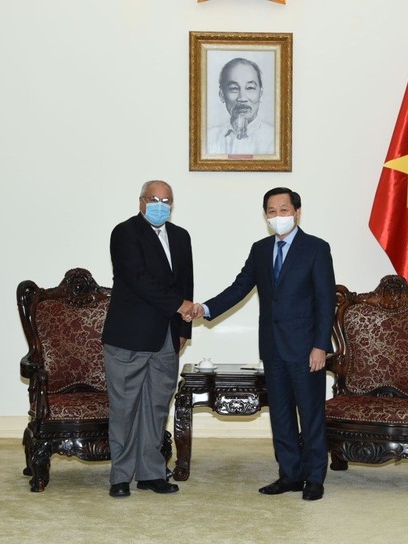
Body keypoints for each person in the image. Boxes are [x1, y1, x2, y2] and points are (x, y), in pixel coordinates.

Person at [194, 187, 335, 501]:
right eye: (271, 211)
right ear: (265, 216)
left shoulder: (316, 248)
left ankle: (314, 478)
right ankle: (289, 475)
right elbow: (240, 287)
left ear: (297, 212)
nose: (278, 216)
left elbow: (326, 302)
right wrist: (205, 308)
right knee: (281, 414)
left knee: (311, 414)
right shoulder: (260, 249)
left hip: (305, 349)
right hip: (272, 347)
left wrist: (320, 345)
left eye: (283, 210)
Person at [102, 180, 194, 498]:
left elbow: (186, 284)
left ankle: (151, 473)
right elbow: (137, 278)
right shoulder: (125, 232)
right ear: (141, 201)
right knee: (125, 409)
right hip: (129, 336)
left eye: (166, 200)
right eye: (154, 199)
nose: (160, 205)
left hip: (167, 338)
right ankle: (120, 476)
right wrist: (179, 306)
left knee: (156, 408)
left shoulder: (181, 237)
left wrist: (184, 330)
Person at [207, 57, 275, 156]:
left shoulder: (275, 140)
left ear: (260, 93)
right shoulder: (208, 138)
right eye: (234, 88)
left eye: (250, 88)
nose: (242, 98)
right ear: (222, 95)